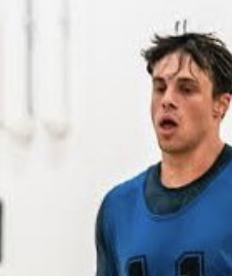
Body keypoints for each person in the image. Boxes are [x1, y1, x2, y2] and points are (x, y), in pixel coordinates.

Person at [95, 31, 232, 276]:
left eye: (186, 89)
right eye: (160, 88)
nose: (167, 100)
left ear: (220, 104)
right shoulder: (118, 207)